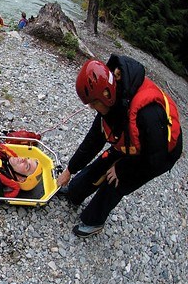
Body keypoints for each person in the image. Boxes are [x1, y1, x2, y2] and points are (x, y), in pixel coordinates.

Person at [57, 56, 182, 237]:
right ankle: (75, 192)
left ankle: (94, 221)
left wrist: (122, 168)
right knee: (104, 162)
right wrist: (70, 169)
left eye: (93, 103)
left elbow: (154, 159)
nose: (92, 107)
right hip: (133, 142)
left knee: (115, 181)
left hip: (160, 152)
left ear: (106, 94)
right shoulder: (111, 101)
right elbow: (93, 141)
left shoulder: (148, 114)